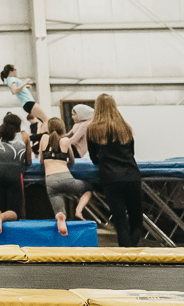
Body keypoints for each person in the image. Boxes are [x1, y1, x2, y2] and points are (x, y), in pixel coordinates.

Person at [87, 93, 143, 247]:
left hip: (111, 178)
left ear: (97, 108)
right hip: (131, 175)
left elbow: (93, 157)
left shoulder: (93, 129)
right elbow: (131, 153)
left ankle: (126, 254)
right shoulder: (125, 127)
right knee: (136, 219)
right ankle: (132, 251)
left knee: (120, 222)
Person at [38, 117, 92, 236]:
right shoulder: (66, 141)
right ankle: (78, 210)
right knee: (88, 188)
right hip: (66, 177)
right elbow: (72, 161)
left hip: (50, 180)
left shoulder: (43, 138)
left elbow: (41, 161)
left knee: (59, 208)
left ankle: (61, 217)